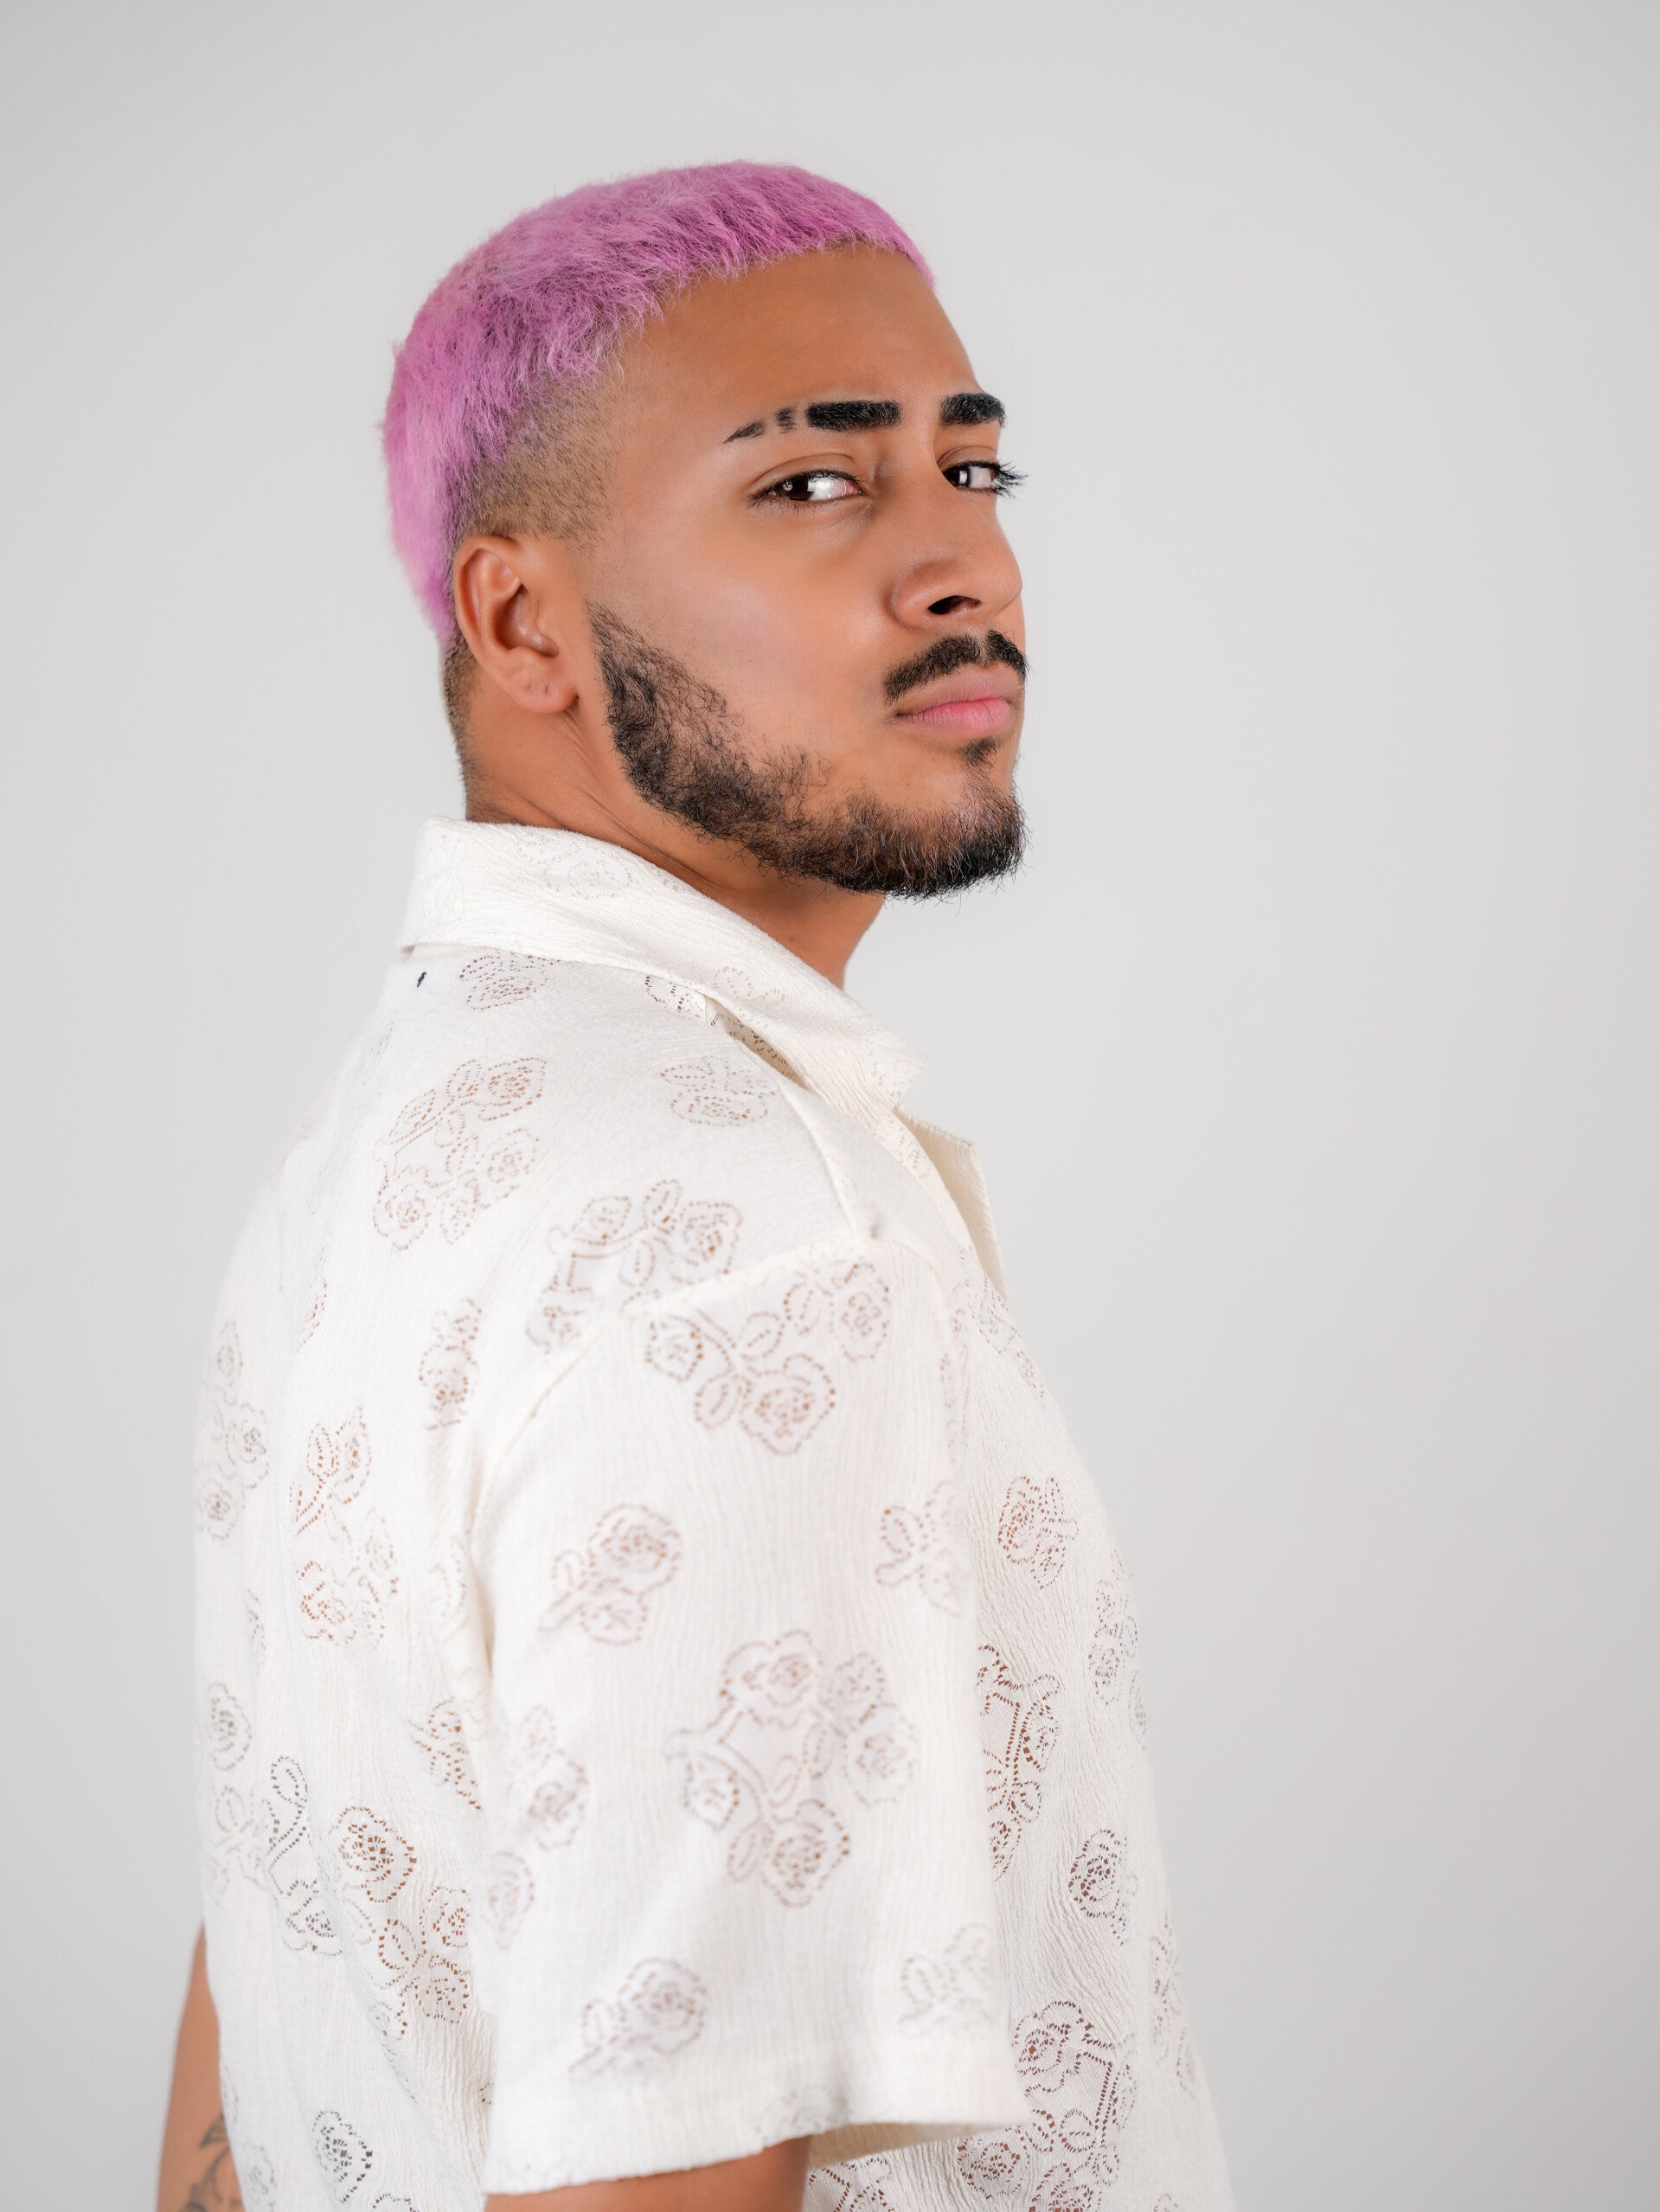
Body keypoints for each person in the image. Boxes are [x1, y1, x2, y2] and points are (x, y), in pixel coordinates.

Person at [159, 161, 1235, 2212]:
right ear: (524, 622)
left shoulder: (374, 1143)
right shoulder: (753, 1243)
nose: (960, 564)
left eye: (973, 467)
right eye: (813, 485)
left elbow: (287, 1956)